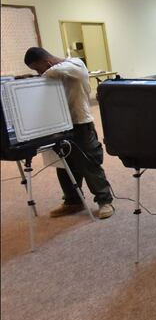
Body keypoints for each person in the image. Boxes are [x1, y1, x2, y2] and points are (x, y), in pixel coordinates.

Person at [23, 47, 115, 219]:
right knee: (64, 165)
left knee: (89, 163)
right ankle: (73, 201)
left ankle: (105, 201)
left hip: (81, 124)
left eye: (37, 68)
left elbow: (53, 71)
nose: (39, 72)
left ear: (46, 62)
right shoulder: (53, 72)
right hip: (61, 125)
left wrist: (35, 77)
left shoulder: (75, 65)